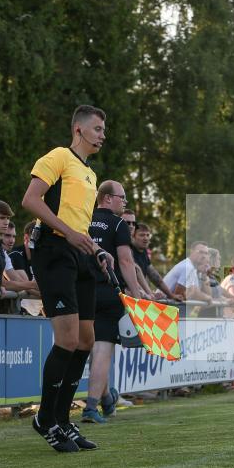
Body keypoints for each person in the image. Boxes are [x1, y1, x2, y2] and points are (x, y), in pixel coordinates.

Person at [21, 104, 114, 453]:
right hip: (55, 252)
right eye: (98, 129)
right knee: (67, 338)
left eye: (104, 130)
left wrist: (95, 250)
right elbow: (30, 200)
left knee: (87, 339)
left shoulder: (90, 175)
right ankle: (46, 417)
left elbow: (80, 225)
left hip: (80, 255)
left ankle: (62, 418)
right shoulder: (58, 156)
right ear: (79, 129)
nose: (103, 135)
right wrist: (69, 234)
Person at [85, 180, 145, 424]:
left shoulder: (82, 218)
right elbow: (126, 261)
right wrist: (137, 294)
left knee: (92, 349)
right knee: (102, 350)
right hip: (108, 291)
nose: (125, 202)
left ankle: (107, 398)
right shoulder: (118, 224)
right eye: (122, 197)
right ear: (107, 198)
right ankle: (90, 407)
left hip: (82, 288)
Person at [132, 222, 178, 300]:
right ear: (133, 237)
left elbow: (154, 276)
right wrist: (149, 294)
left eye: (147, 235)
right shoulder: (128, 251)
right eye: (141, 235)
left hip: (140, 296)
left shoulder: (143, 251)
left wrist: (171, 295)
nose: (146, 238)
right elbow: (132, 278)